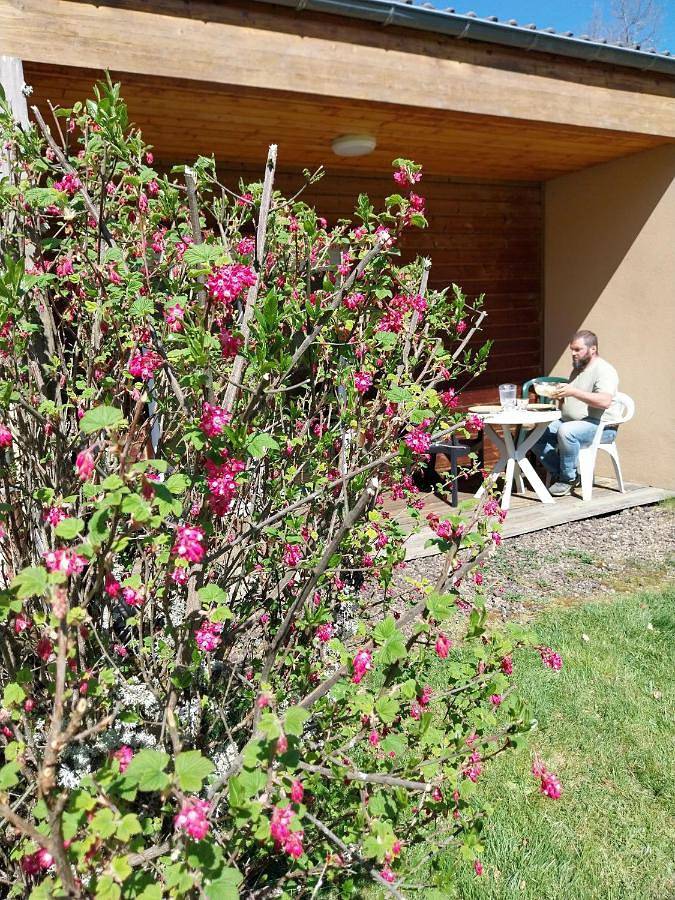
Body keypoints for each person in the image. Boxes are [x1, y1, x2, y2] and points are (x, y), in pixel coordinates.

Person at [534, 330, 620, 497]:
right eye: (571, 350)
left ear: (592, 349)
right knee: (538, 433)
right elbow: (574, 397)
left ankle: (567, 479)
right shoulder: (578, 368)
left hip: (601, 426)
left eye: (577, 349)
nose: (573, 354)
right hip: (571, 422)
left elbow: (604, 401)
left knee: (566, 432)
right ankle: (568, 474)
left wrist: (573, 392)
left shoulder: (604, 370)